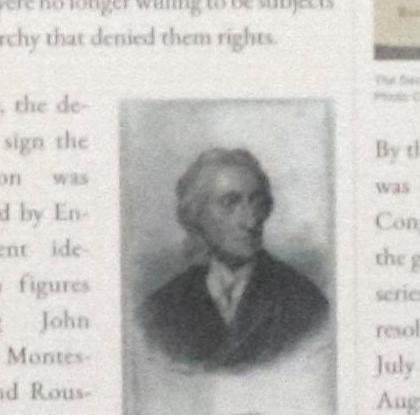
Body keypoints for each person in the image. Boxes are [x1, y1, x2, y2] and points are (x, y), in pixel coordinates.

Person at [138, 143, 328, 371]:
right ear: (197, 213)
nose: (250, 220)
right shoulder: (161, 308)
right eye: (230, 203)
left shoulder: (303, 300)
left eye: (256, 201)